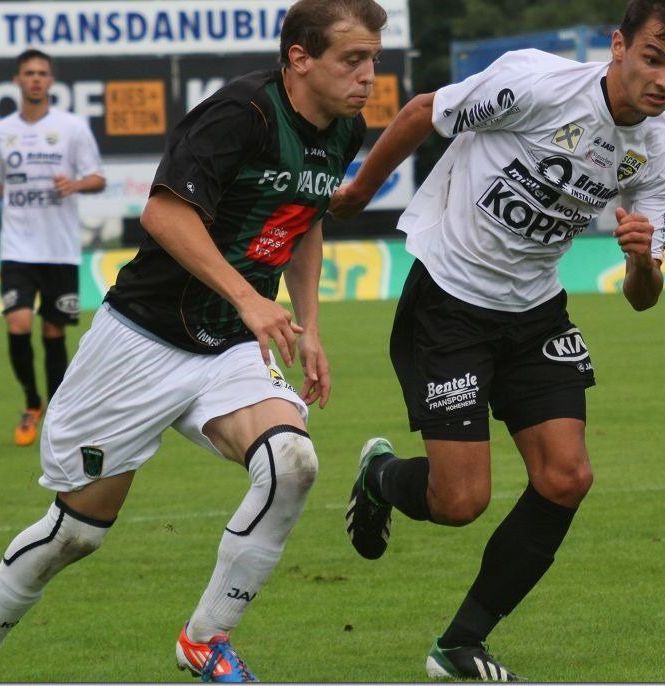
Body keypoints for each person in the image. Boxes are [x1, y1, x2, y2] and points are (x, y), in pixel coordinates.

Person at [0, 0, 384, 681]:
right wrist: (249, 298)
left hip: (232, 343)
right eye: (352, 59)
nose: (368, 76)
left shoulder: (344, 129)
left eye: (374, 60)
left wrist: (310, 324)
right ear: (300, 57)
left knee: (291, 463)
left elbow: (305, 215)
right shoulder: (243, 114)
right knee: (79, 532)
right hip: (140, 341)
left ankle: (206, 639)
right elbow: (163, 214)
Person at [331, 0, 665, 679]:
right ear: (618, 46)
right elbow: (422, 112)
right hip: (448, 300)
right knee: (460, 502)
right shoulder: (535, 84)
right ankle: (381, 478)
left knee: (568, 477)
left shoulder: (658, 152)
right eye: (653, 58)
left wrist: (644, 260)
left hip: (535, 311)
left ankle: (460, 644)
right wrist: (358, 191)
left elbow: (642, 300)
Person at [0, 49, 106, 447]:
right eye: (29, 73)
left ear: (51, 80)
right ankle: (31, 402)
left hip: (59, 249)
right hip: (17, 248)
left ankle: (58, 410)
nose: (36, 79)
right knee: (18, 323)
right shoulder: (4, 129)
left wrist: (74, 185)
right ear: (17, 81)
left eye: (42, 73)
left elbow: (96, 177)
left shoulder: (72, 128)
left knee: (53, 329)